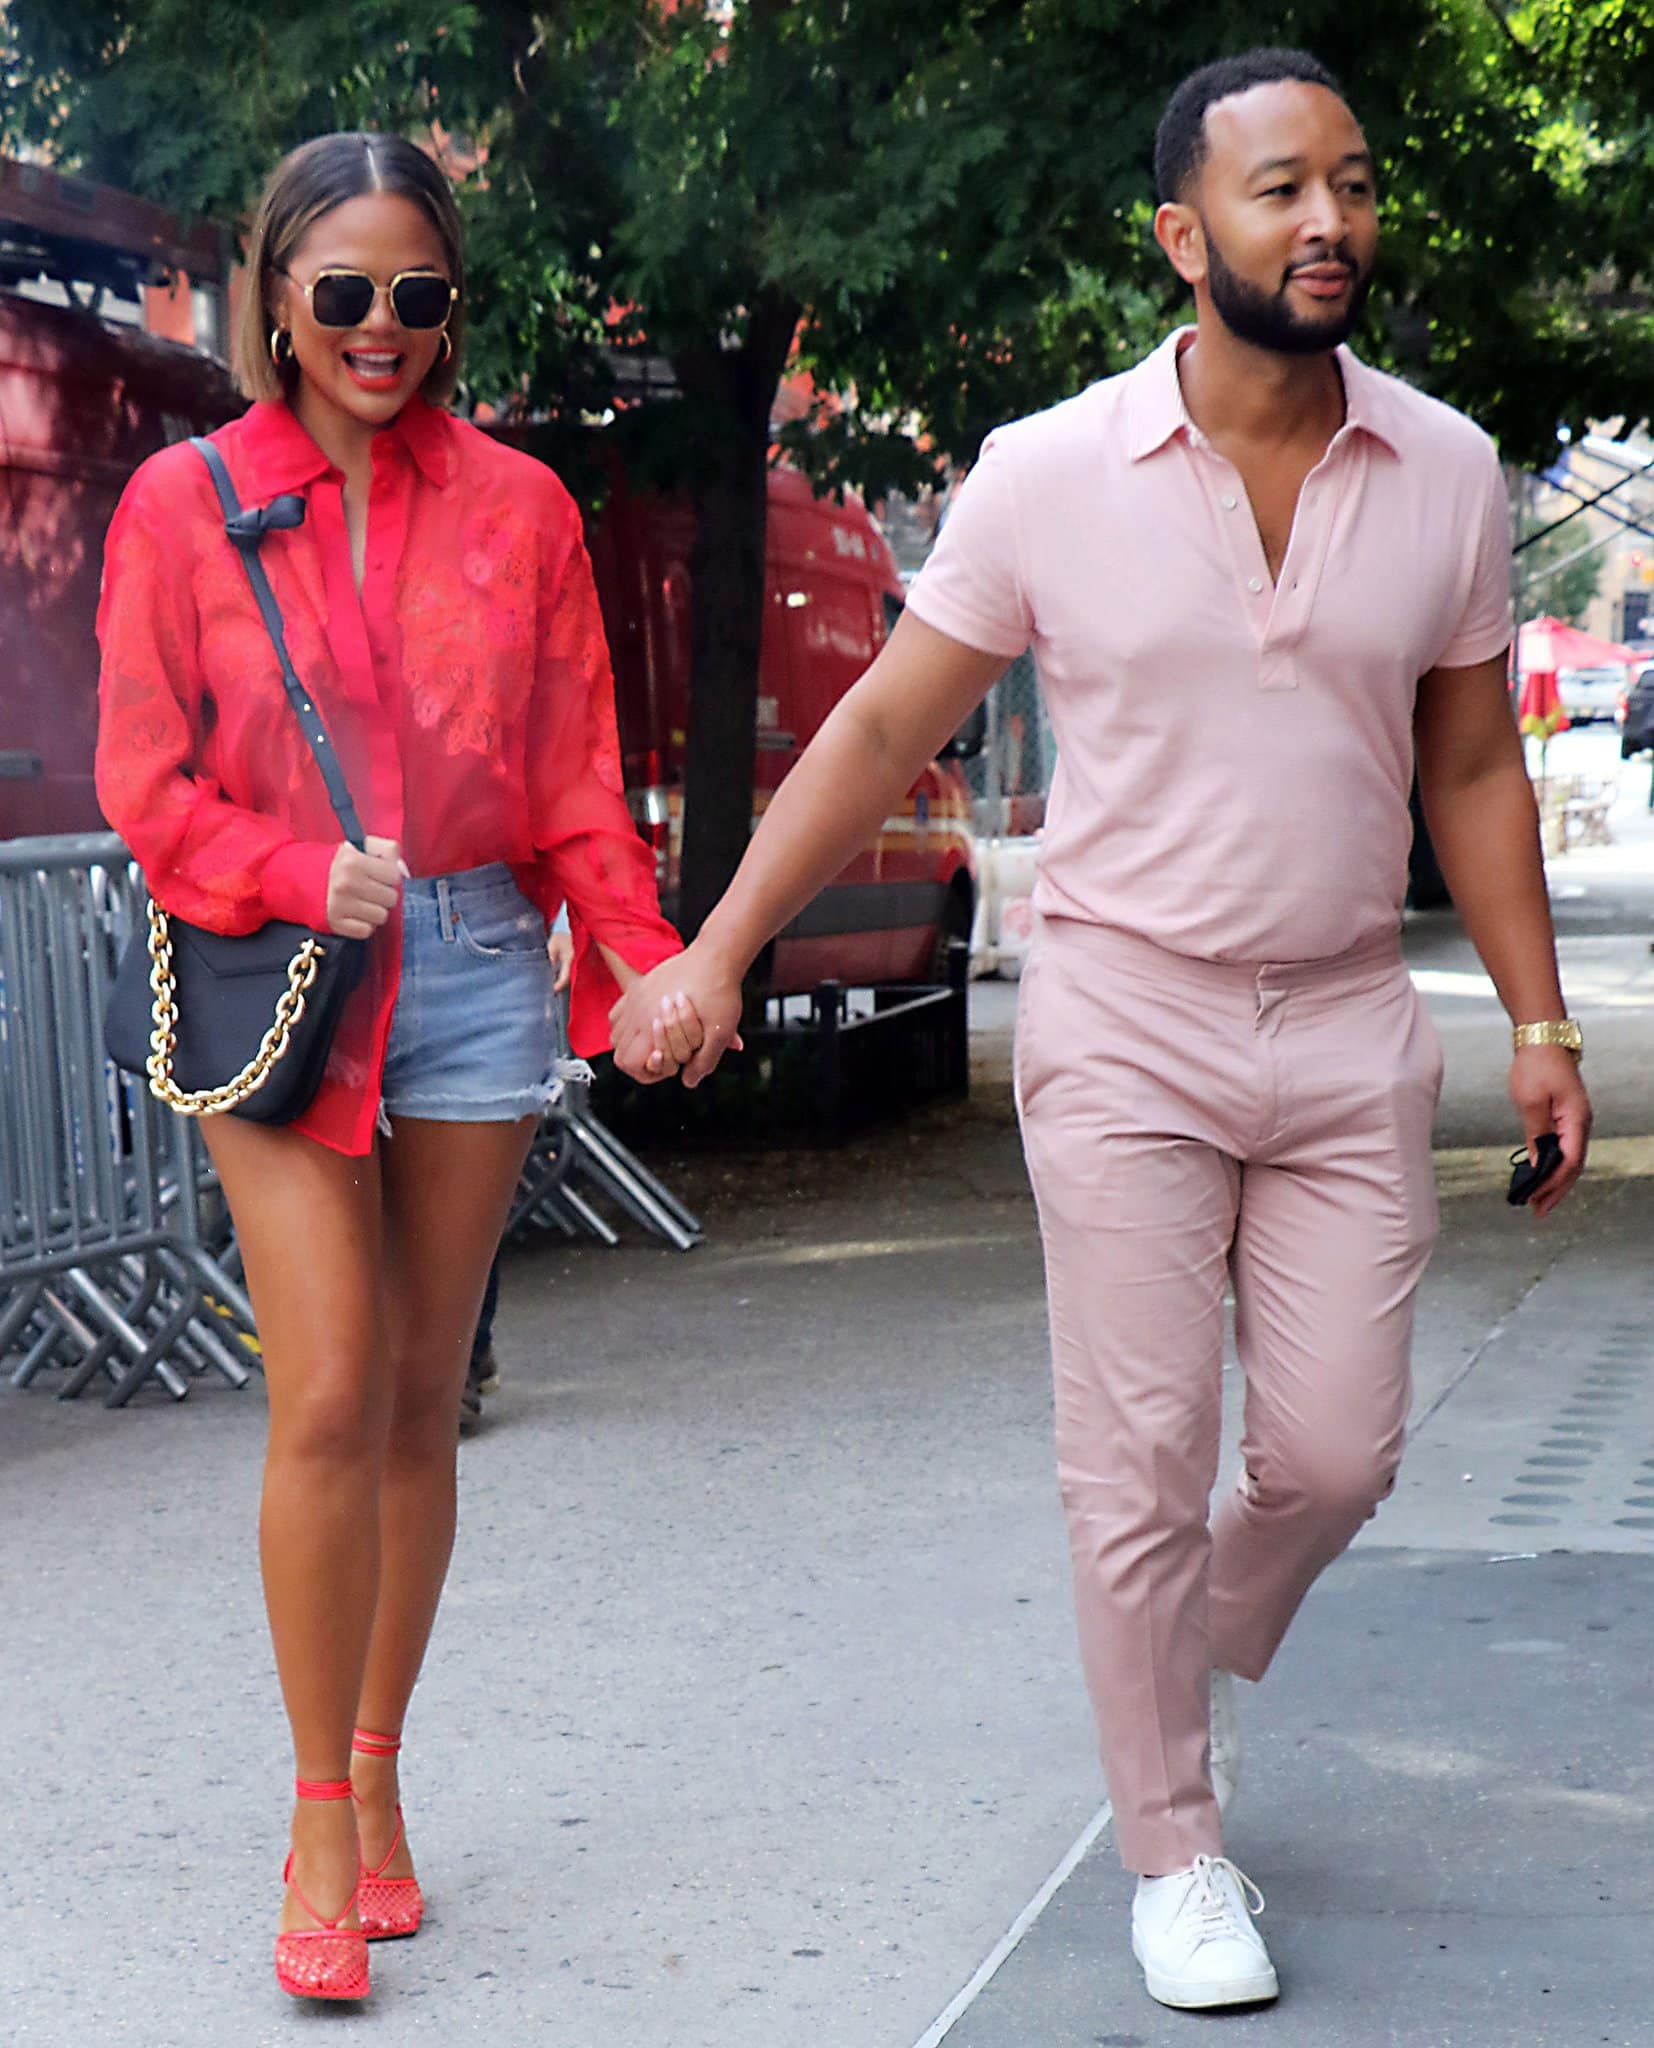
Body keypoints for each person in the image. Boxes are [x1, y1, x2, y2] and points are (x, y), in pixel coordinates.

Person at [612, 47, 1592, 2014]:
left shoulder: (1449, 470)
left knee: (1327, 1456)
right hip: (1125, 1024)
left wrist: (1539, 1020)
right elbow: (884, 723)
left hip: (1336, 1032)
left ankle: (1187, 1653)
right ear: (1179, 233)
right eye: (1274, 192)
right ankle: (1172, 1847)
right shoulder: (1047, 472)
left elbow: (1472, 765)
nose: (1324, 224)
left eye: (1350, 185)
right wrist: (713, 950)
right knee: (1133, 1460)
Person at [95, 131, 695, 2003]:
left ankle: (380, 1761)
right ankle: (312, 1819)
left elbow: (574, 778)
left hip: (474, 965)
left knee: (427, 1394)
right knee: (330, 1384)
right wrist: (291, 869)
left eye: (417, 296)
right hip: (282, 971)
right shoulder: (184, 505)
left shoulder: (519, 506)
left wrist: (648, 961)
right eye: (343, 291)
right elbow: (142, 778)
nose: (380, 328)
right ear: (274, 289)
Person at [461, 914, 576, 1430]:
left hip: (475, 923)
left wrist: (565, 919)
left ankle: (463, 1352)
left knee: (456, 1184)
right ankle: (460, 1351)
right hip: (348, 928)